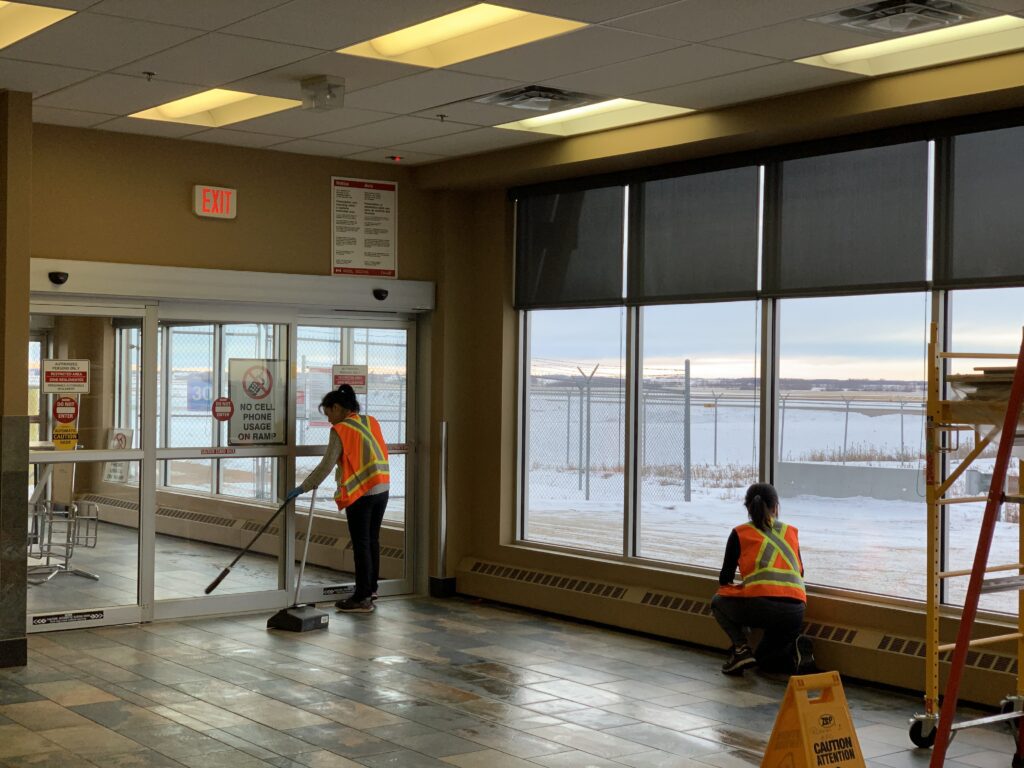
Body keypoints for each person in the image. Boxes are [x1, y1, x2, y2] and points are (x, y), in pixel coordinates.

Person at [288, 384, 389, 613]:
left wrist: (304, 487)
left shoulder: (342, 429)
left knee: (361, 544)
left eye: (328, 414)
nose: (329, 421)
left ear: (337, 408)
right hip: (382, 488)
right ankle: (371, 589)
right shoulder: (370, 421)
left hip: (361, 493)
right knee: (372, 541)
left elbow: (326, 464)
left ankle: (362, 598)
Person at [711, 482, 813, 675]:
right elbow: (800, 573)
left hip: (761, 608)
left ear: (748, 508)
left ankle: (741, 649)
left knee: (718, 602)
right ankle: (795, 654)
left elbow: (724, 579)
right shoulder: (790, 532)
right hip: (795, 611)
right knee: (766, 662)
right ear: (776, 507)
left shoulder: (740, 533)